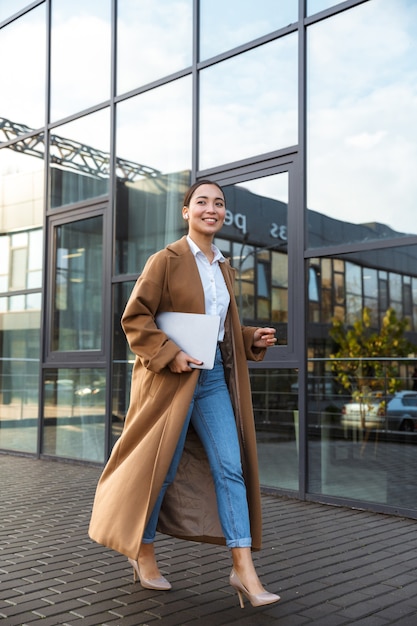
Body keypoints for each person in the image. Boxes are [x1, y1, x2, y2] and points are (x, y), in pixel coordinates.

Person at [89, 180, 280, 609]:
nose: (210, 209)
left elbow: (219, 329)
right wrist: (169, 354)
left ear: (223, 214)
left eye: (218, 203)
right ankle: (143, 549)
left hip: (210, 378)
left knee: (232, 468)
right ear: (186, 212)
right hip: (171, 381)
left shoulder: (223, 268)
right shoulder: (166, 260)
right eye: (201, 202)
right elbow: (135, 318)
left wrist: (251, 337)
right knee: (163, 469)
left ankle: (243, 569)